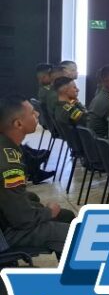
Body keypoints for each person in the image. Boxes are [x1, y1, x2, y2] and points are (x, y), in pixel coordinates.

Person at [0, 95, 75, 257]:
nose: (38, 115)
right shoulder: (8, 162)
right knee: (78, 237)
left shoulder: (6, 144)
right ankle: (79, 278)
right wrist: (48, 212)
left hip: (6, 220)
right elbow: (22, 219)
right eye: (33, 113)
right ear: (18, 123)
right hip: (6, 234)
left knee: (65, 215)